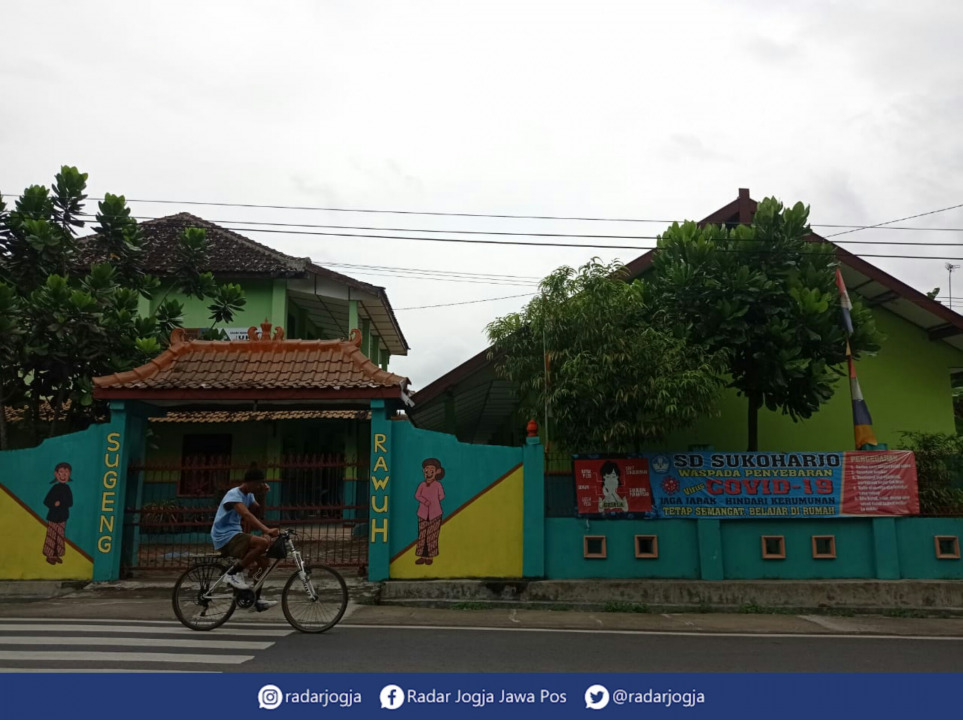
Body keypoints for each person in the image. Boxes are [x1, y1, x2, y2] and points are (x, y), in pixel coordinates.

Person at [210, 464, 280, 611]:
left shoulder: (249, 495)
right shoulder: (234, 494)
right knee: (262, 543)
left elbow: (257, 511)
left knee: (264, 562)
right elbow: (246, 515)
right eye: (259, 483)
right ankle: (233, 573)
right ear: (251, 482)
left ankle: (256, 600)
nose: (260, 486)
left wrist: (263, 494)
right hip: (224, 537)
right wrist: (267, 530)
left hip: (236, 534)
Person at [414, 458, 446, 565]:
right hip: (422, 513)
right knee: (422, 535)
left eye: (431, 470)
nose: (428, 473)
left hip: (435, 514)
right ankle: (422, 556)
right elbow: (417, 495)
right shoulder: (422, 485)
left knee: (432, 535)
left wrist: (433, 501)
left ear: (437, 472)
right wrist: (425, 501)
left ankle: (430, 557)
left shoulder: (438, 485)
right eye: (426, 470)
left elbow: (442, 496)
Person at [42, 462, 73, 565]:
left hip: (63, 516)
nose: (63, 475)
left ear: (69, 474)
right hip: (53, 516)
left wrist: (62, 503)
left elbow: (70, 502)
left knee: (60, 536)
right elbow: (46, 501)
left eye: (66, 473)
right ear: (56, 474)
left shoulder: (67, 489)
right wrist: (54, 504)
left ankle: (57, 554)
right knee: (51, 536)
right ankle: (50, 555)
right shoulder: (55, 488)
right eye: (61, 472)